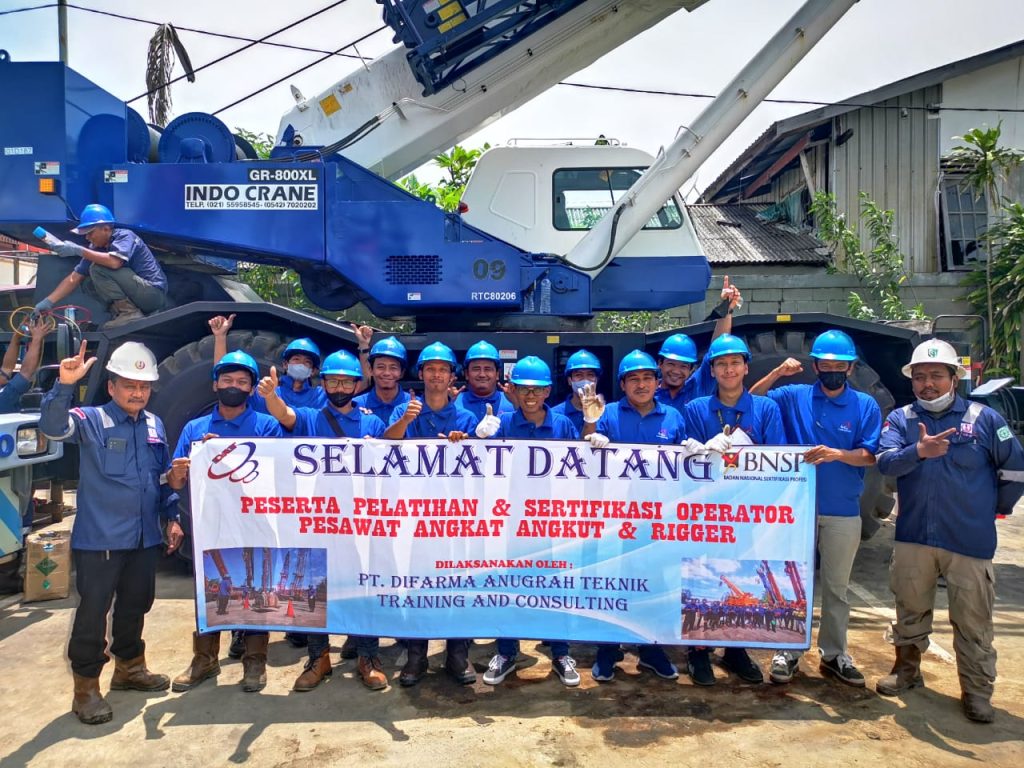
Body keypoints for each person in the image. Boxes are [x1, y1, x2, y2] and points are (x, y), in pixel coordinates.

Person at [875, 338, 1024, 723]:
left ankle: (976, 691)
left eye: (936, 375)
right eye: (920, 376)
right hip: (914, 537)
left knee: (973, 620)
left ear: (954, 378)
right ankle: (906, 671)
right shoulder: (901, 420)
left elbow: (1015, 471)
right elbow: (886, 463)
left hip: (968, 541)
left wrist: (994, 508)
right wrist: (918, 452)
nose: (928, 384)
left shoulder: (986, 419)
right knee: (909, 609)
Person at [39, 340, 183, 725]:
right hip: (100, 539)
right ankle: (86, 689)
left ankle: (129, 668)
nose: (138, 393)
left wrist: (172, 517)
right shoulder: (91, 420)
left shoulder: (154, 424)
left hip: (144, 538)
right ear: (112, 387)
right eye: (129, 385)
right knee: (93, 614)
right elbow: (53, 428)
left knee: (136, 605)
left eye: (144, 386)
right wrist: (65, 385)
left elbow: (161, 478)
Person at [749, 330, 882, 687]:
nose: (833, 371)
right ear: (816, 366)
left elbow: (870, 455)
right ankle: (788, 651)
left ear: (851, 368)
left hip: (843, 511)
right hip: (797, 511)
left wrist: (838, 454)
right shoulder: (794, 396)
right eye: (826, 365)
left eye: (840, 366)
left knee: (837, 587)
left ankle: (835, 654)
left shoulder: (865, 406)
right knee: (792, 584)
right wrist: (777, 372)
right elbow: (751, 400)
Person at [258, 350, 391, 692]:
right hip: (316, 518)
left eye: (346, 382)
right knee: (313, 585)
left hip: (360, 521)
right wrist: (271, 396)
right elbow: (284, 414)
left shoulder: (372, 423)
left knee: (362, 585)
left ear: (357, 385)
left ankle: (368, 657)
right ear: (324, 384)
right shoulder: (310, 417)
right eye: (333, 381)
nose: (340, 387)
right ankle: (318, 658)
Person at [580, 350, 706, 683]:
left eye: (647, 378)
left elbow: (685, 469)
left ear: (657, 382)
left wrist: (694, 455)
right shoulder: (608, 414)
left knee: (653, 583)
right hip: (614, 520)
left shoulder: (673, 417)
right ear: (622, 385)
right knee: (612, 583)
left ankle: (650, 649)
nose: (641, 384)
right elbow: (583, 453)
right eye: (633, 379)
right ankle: (608, 649)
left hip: (656, 520)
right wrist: (590, 430)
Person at [167, 350, 284, 694]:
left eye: (242, 382)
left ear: (251, 389)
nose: (234, 386)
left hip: (255, 521)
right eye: (228, 380)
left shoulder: (267, 426)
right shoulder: (195, 429)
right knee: (211, 587)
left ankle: (255, 660)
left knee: (257, 584)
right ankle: (204, 659)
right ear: (215, 385)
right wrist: (179, 471)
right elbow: (175, 481)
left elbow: (279, 474)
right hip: (211, 523)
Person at [683, 334, 786, 687]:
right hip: (705, 509)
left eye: (735, 363)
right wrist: (702, 450)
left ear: (745, 368)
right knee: (699, 572)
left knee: (743, 570)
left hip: (747, 509)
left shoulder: (766, 409)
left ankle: (736, 649)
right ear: (712, 370)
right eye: (721, 364)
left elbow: (777, 459)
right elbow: (687, 460)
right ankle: (698, 651)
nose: (728, 370)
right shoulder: (696, 409)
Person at [475, 356, 582, 687]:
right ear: (513, 391)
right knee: (509, 587)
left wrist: (592, 437)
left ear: (548, 391)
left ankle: (560, 653)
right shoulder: (503, 423)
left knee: (557, 588)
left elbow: (581, 469)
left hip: (553, 521)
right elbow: (480, 466)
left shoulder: (563, 425)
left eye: (537, 389)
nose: (531, 395)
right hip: (511, 521)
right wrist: (480, 438)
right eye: (523, 389)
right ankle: (507, 652)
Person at [384, 342, 478, 686]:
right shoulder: (404, 409)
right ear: (421, 374)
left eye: (443, 370)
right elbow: (387, 443)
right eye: (430, 369)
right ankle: (416, 656)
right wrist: (406, 420)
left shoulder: (465, 417)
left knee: (458, 582)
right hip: (414, 514)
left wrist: (463, 442)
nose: (437, 375)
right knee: (416, 582)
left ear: (451, 376)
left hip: (455, 516)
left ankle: (457, 655)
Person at [34, 204, 168, 327]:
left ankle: (129, 313)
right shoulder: (96, 249)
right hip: (140, 296)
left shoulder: (125, 236)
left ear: (106, 228)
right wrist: (48, 301)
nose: (87, 238)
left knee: (97, 268)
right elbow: (74, 278)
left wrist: (78, 250)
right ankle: (121, 313)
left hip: (153, 295)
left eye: (90, 233)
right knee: (87, 281)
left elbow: (115, 262)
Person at [654, 275, 743, 413]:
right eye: (671, 364)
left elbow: (717, 350)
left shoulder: (697, 387)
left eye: (683, 366)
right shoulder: (649, 395)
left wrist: (727, 307)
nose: (676, 371)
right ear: (660, 364)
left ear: (691, 370)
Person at [209, 314, 328, 412]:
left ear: (313, 371)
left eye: (307, 362)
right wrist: (220, 337)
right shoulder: (265, 392)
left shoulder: (320, 397)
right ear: (285, 364)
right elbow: (225, 372)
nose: (300, 364)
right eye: (296, 359)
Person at [352, 335, 412, 423]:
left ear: (402, 373)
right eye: (381, 367)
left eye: (393, 368)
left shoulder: (414, 405)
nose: (387, 373)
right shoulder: (355, 405)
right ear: (371, 370)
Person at [453, 340, 515, 421]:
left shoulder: (512, 402)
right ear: (467, 374)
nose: (482, 374)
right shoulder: (453, 403)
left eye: (487, 369)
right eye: (476, 369)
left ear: (497, 374)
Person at [0, 318, 49, 413]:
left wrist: (17, 337)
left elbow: (6, 369)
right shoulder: (4, 399)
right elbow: (26, 372)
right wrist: (37, 339)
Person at [550, 349, 602, 433]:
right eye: (578, 375)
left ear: (596, 380)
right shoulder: (554, 414)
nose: (585, 380)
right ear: (570, 380)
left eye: (590, 375)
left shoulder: (605, 412)